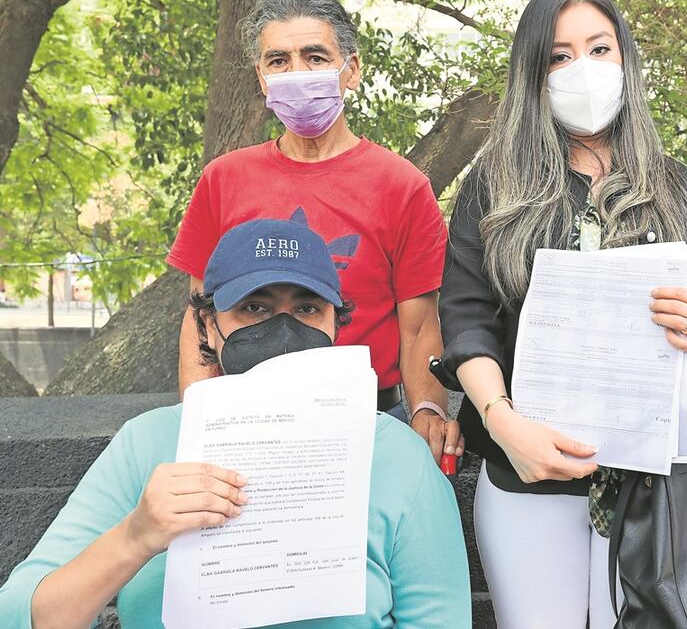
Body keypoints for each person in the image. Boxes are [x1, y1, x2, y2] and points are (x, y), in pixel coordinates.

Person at [433, 0, 687, 628]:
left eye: (599, 48)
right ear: (532, 75)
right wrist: (500, 418)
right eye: (559, 56)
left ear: (626, 60)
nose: (583, 69)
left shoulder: (680, 190)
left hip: (653, 489)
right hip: (525, 476)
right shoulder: (494, 184)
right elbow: (465, 319)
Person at [0, 219, 471, 628]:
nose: (283, 329)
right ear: (207, 324)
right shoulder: (147, 445)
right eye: (255, 308)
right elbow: (21, 616)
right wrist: (135, 537)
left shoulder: (396, 456)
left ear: (336, 325)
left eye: (307, 308)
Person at [167, 0, 461, 463]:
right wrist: (200, 421)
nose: (295, 72)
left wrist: (426, 410)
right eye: (278, 61)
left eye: (315, 57)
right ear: (261, 78)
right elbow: (200, 316)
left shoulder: (402, 186)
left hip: (366, 424)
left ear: (352, 71)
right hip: (243, 423)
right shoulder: (223, 180)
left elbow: (419, 325)